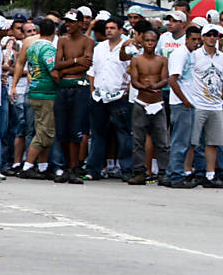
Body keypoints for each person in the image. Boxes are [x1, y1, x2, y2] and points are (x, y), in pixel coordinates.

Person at [84, 17, 133, 180]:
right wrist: (92, 90)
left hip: (118, 97)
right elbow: (92, 70)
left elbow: (132, 71)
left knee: (123, 134)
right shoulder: (100, 48)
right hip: (99, 96)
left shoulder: (128, 47)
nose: (109, 30)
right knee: (97, 134)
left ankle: (127, 170)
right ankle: (93, 169)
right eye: (107, 28)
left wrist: (126, 90)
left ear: (120, 30)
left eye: (112, 28)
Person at [12, 19, 58, 179]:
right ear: (54, 31)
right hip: (45, 93)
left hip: (34, 90)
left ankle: (43, 166)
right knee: (44, 132)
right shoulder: (48, 48)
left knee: (42, 130)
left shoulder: (33, 45)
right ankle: (28, 165)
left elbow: (22, 63)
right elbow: (53, 71)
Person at [52, 9, 93, 183]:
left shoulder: (87, 41)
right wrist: (75, 61)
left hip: (79, 87)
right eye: (66, 22)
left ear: (79, 23)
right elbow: (56, 64)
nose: (67, 25)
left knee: (76, 129)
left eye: (71, 22)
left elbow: (85, 66)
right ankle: (67, 166)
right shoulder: (62, 40)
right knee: (62, 130)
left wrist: (64, 69)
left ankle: (74, 167)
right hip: (63, 88)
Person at [189, 24, 223, 188]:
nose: (212, 37)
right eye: (209, 34)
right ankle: (187, 172)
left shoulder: (222, 58)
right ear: (203, 37)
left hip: (215, 105)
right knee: (193, 142)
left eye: (215, 35)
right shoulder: (195, 55)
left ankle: (210, 174)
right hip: (198, 103)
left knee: (213, 142)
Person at [128, 28, 170, 185]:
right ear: (142, 42)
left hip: (158, 103)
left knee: (162, 141)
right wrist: (146, 87)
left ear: (156, 42)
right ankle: (139, 172)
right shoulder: (136, 60)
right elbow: (134, 80)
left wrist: (155, 85)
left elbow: (165, 79)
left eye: (152, 41)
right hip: (141, 102)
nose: (150, 43)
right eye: (147, 40)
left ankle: (163, 172)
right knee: (138, 140)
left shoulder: (162, 60)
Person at [166, 26, 202, 188]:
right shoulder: (180, 54)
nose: (196, 42)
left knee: (183, 140)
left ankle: (170, 174)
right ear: (186, 39)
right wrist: (185, 100)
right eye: (193, 39)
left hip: (188, 102)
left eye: (198, 39)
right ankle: (176, 176)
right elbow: (173, 80)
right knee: (180, 141)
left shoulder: (191, 54)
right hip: (182, 104)